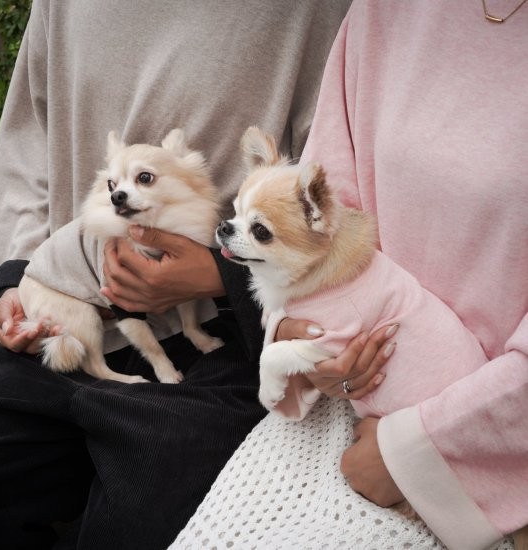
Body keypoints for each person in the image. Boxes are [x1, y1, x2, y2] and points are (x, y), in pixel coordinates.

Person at [0, 1, 360, 548]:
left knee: (142, 525)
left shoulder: (317, 13)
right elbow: (28, 141)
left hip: (227, 334)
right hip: (61, 308)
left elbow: (335, 193)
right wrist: (18, 276)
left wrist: (219, 278)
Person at [172, 1, 528, 549]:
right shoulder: (387, 11)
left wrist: (414, 454)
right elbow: (323, 207)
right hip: (337, 401)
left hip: (492, 445)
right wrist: (293, 331)